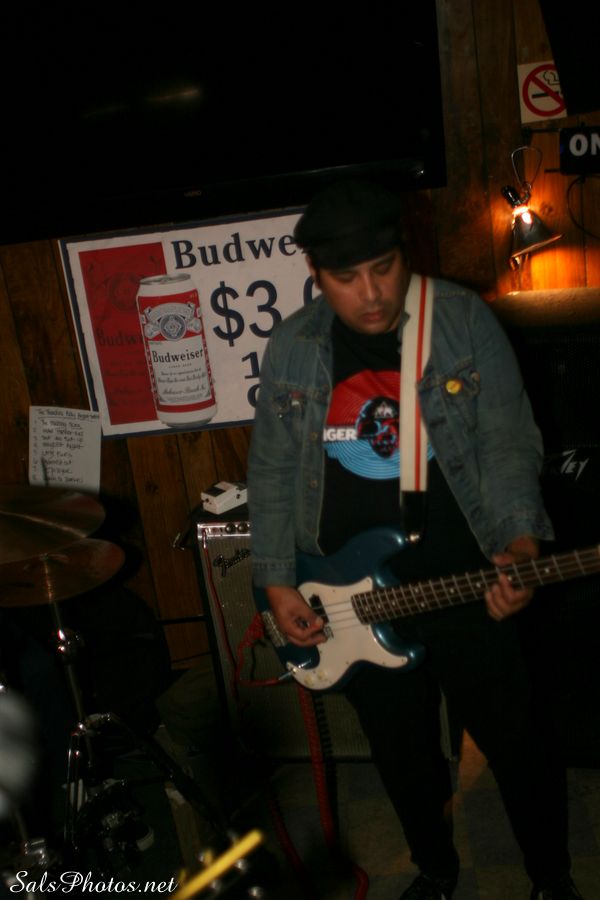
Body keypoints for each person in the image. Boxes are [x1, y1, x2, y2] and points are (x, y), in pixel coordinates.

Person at [246, 179, 583, 900]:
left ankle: (551, 878)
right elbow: (271, 468)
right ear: (316, 274)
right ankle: (435, 869)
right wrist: (276, 581)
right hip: (348, 594)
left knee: (518, 741)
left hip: (466, 576)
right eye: (347, 277)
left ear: (405, 255)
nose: (371, 294)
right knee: (402, 754)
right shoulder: (294, 346)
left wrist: (520, 545)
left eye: (384, 268)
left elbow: (506, 442)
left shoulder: (460, 320)